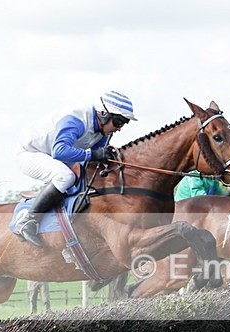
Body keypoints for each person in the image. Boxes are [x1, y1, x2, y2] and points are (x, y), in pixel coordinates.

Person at [14, 90, 137, 247]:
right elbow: (59, 152)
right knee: (65, 177)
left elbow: (95, 160)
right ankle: (28, 221)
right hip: (30, 152)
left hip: (54, 155)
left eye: (123, 124)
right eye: (118, 122)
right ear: (104, 114)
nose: (119, 129)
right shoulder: (76, 120)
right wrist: (93, 154)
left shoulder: (102, 131)